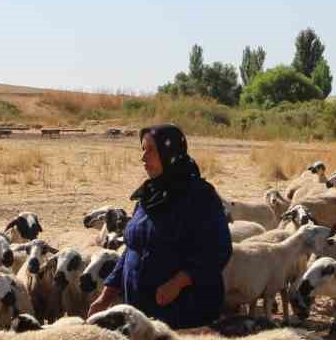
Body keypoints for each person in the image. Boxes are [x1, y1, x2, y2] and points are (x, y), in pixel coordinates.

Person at [87, 123, 232, 329]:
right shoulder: (148, 196)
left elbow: (219, 250)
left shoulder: (199, 197)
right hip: (139, 315)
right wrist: (106, 296)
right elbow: (133, 248)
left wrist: (179, 282)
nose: (143, 158)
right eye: (143, 150)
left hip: (184, 313)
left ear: (169, 153)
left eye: (151, 150)